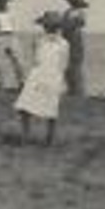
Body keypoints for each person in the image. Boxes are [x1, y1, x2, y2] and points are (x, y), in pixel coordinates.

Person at [14, 11, 70, 146]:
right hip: (38, 73)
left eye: (51, 26)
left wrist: (61, 79)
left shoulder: (63, 43)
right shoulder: (39, 40)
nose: (48, 28)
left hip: (53, 74)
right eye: (47, 26)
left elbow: (64, 63)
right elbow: (35, 59)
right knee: (25, 106)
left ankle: (50, 138)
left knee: (51, 108)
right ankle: (25, 137)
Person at [60, 0, 89, 98]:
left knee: (75, 65)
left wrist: (67, 25)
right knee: (68, 65)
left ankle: (77, 90)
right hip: (68, 39)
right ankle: (72, 89)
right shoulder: (68, 12)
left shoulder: (80, 13)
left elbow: (80, 23)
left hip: (75, 40)